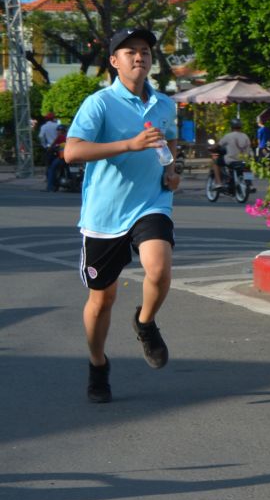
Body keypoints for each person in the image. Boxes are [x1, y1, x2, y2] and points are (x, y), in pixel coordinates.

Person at [63, 27, 181, 402]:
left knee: (159, 269)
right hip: (104, 214)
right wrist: (128, 145)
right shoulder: (98, 104)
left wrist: (171, 169)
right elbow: (72, 152)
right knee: (102, 300)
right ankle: (98, 363)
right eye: (129, 51)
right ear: (114, 61)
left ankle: (145, 323)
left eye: (144, 50)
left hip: (151, 203)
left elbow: (169, 137)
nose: (139, 56)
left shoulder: (164, 104)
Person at [212, 118, 253, 187]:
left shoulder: (228, 136)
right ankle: (250, 184)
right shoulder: (245, 136)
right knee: (247, 168)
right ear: (241, 126)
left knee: (216, 163)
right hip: (244, 160)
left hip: (231, 160)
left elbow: (218, 145)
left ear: (231, 127)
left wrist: (211, 148)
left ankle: (218, 183)